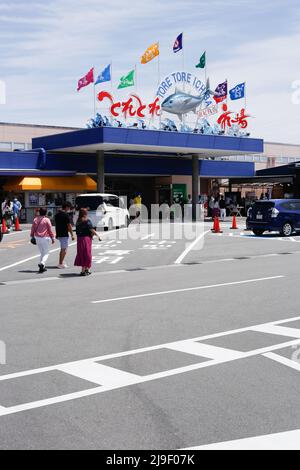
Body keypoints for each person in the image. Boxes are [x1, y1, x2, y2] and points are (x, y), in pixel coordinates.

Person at [74, 208, 101, 276]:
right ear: (85, 213)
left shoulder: (78, 221)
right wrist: (98, 236)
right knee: (87, 254)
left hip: (80, 239)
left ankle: (85, 270)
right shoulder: (87, 221)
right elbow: (91, 229)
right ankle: (85, 270)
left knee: (82, 254)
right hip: (86, 239)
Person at [30, 207, 55, 273]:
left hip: (37, 238)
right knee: (46, 252)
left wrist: (32, 235)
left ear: (39, 212)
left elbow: (32, 229)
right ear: (46, 212)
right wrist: (52, 238)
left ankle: (42, 267)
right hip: (45, 238)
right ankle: (42, 263)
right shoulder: (47, 220)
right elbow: (50, 230)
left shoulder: (35, 219)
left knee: (42, 252)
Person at [55, 202, 75, 269]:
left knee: (63, 248)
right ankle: (60, 263)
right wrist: (72, 235)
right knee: (64, 249)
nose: (69, 209)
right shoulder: (66, 215)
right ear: (66, 207)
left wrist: (57, 234)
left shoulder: (57, 215)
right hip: (64, 234)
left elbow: (56, 225)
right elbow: (69, 225)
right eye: (69, 207)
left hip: (59, 233)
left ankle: (62, 262)